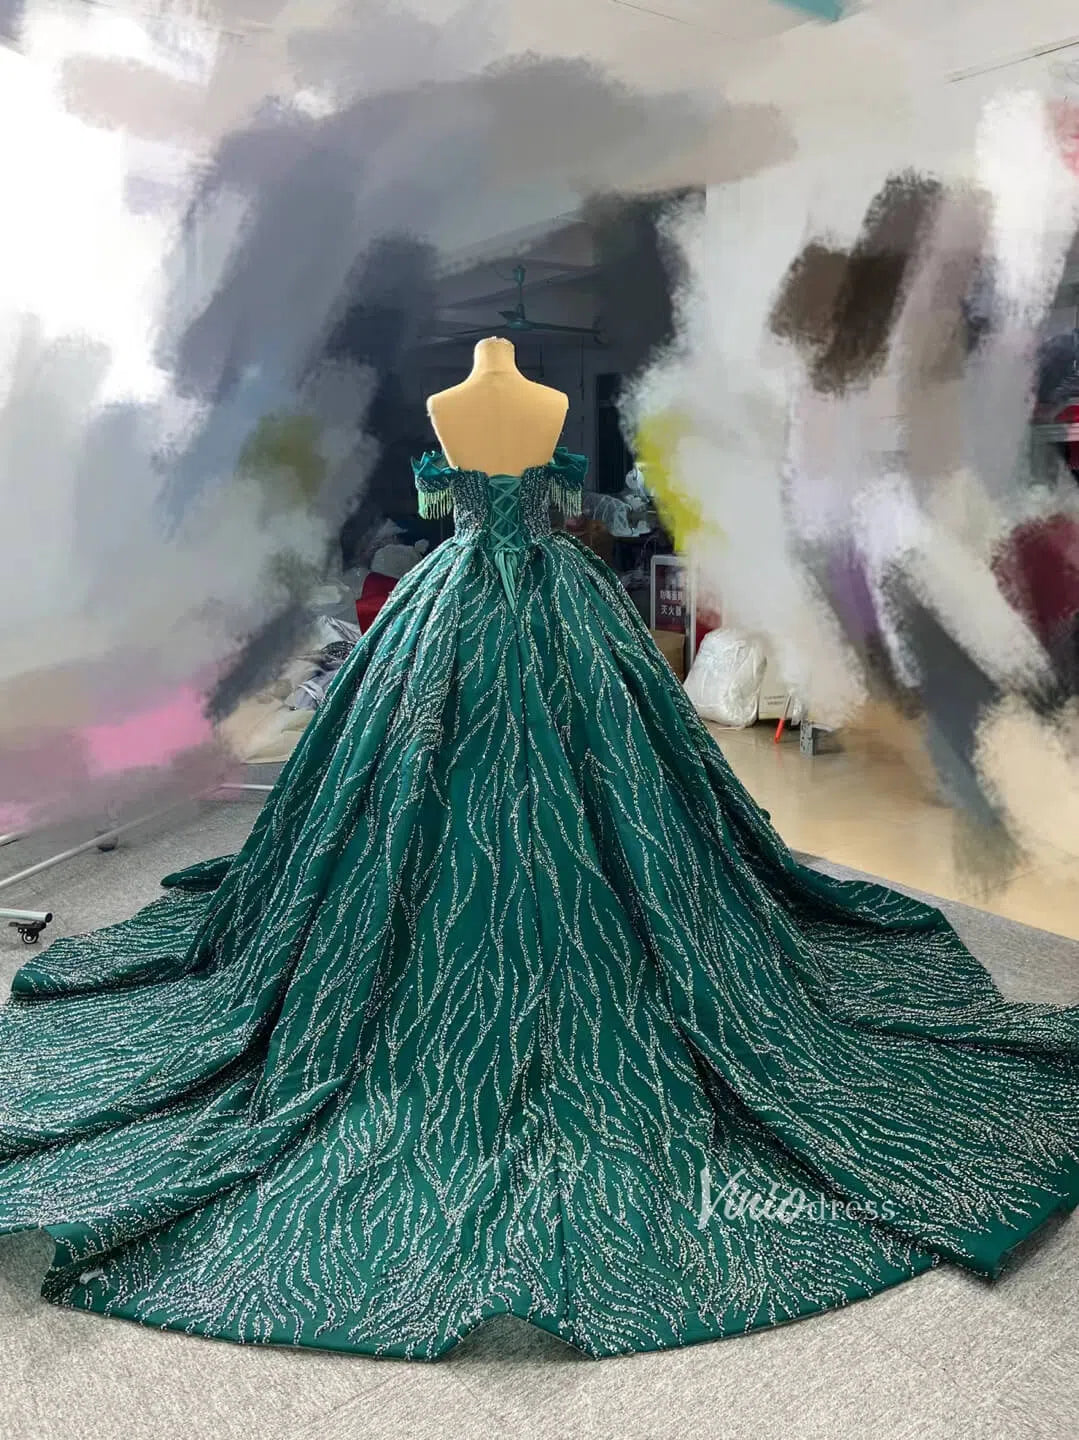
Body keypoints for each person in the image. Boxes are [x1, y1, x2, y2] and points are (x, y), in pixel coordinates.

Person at [1, 337, 1078, 1362]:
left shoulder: (511, 407)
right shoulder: (478, 407)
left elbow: (464, 506)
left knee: (609, 790)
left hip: (500, 607)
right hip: (481, 613)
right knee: (424, 791)